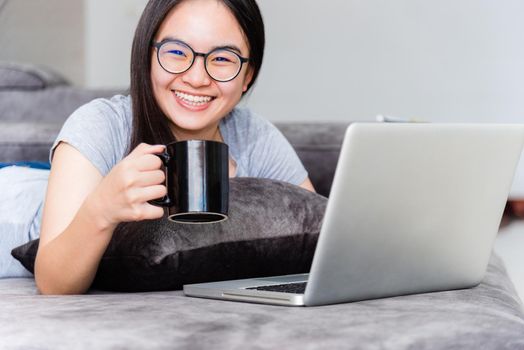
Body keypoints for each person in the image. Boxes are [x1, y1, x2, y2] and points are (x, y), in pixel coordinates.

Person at [31, 0, 314, 294]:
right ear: (147, 55)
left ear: (248, 76)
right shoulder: (100, 125)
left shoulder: (256, 136)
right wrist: (101, 210)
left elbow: (318, 234)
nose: (197, 78)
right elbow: (53, 284)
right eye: (177, 52)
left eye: (222, 59)